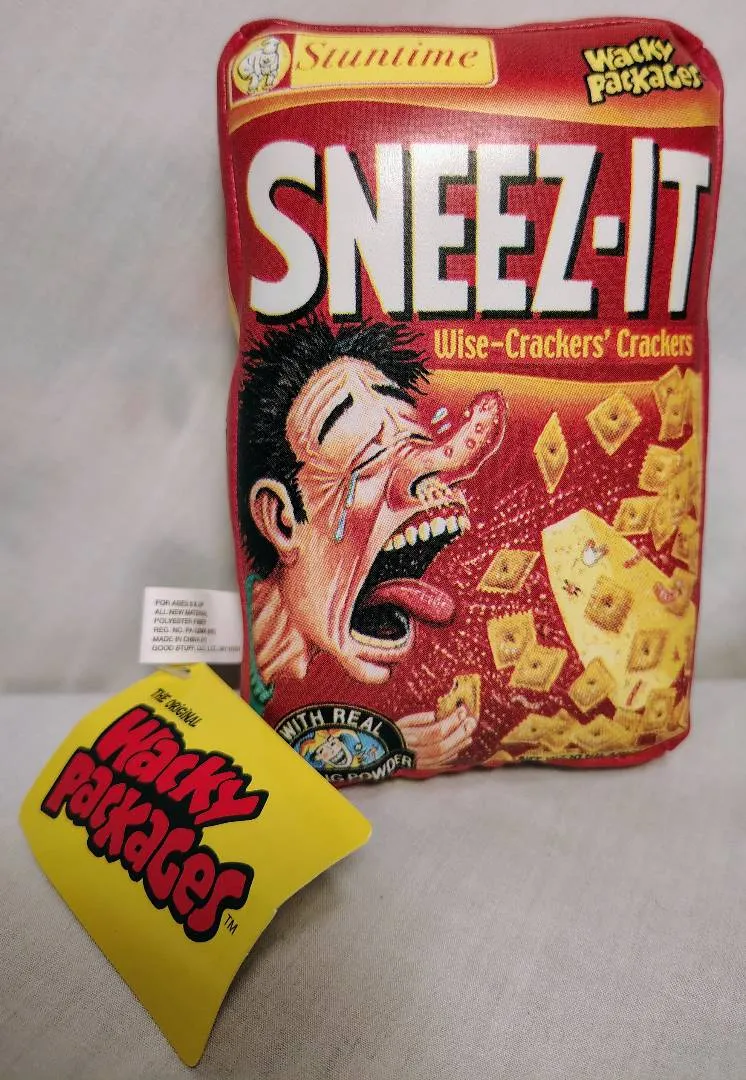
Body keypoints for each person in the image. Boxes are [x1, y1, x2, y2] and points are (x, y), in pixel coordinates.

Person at [236, 319, 506, 769]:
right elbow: (250, 758)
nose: (422, 475)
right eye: (371, 458)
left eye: (415, 442)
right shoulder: (235, 656)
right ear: (283, 519)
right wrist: (383, 750)